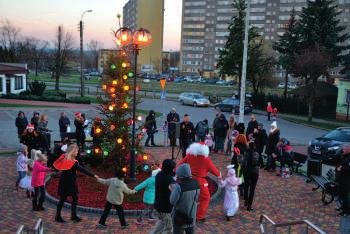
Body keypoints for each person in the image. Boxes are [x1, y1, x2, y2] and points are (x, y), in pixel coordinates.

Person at [53, 143, 97, 223]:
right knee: (66, 199)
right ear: (72, 152)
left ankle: (69, 215)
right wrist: (93, 175)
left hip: (65, 182)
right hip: (69, 183)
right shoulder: (73, 163)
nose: (77, 152)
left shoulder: (65, 159)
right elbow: (83, 170)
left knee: (67, 198)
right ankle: (60, 216)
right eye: (76, 151)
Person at [178, 142, 221, 222]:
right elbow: (214, 170)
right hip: (201, 182)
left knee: (189, 198)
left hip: (188, 180)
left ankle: (187, 214)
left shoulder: (189, 156)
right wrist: (219, 175)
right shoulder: (206, 159)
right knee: (205, 198)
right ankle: (199, 216)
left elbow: (180, 165)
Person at [170, 163, 200, 234]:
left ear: (180, 174)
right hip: (192, 217)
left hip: (180, 218)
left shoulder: (178, 186)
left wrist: (173, 190)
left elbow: (172, 201)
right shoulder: (196, 183)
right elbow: (196, 199)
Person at [152, 159, 176, 234]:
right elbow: (174, 193)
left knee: (161, 224)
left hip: (158, 204)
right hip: (165, 208)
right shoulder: (170, 180)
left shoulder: (159, 175)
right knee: (169, 229)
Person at [242, 142, 260, 211]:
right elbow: (258, 163)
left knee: (246, 186)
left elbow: (243, 163)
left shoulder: (246, 153)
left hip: (247, 171)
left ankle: (246, 200)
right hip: (255, 172)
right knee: (252, 189)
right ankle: (249, 206)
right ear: (254, 146)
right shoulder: (256, 153)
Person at [336, 153, 350, 217]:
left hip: (347, 181)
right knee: (342, 194)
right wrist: (338, 167)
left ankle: (346, 212)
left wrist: (341, 169)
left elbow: (348, 169)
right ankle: (343, 207)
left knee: (345, 196)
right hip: (342, 179)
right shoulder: (347, 157)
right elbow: (341, 164)